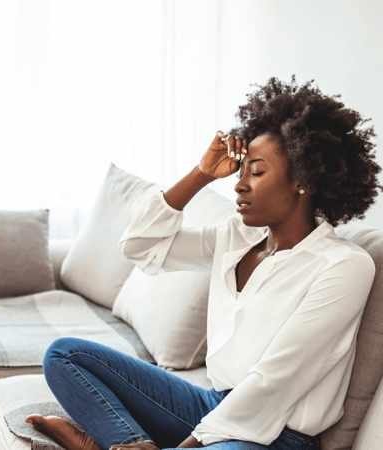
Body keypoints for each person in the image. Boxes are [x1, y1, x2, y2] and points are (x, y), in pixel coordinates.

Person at [24, 76, 381, 449]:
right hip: (212, 405)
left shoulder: (343, 265)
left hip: (275, 434)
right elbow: (140, 247)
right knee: (65, 354)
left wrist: (188, 446)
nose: (239, 185)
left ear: (302, 181)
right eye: (241, 173)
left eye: (256, 172)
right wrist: (201, 174)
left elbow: (277, 379)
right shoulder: (235, 237)